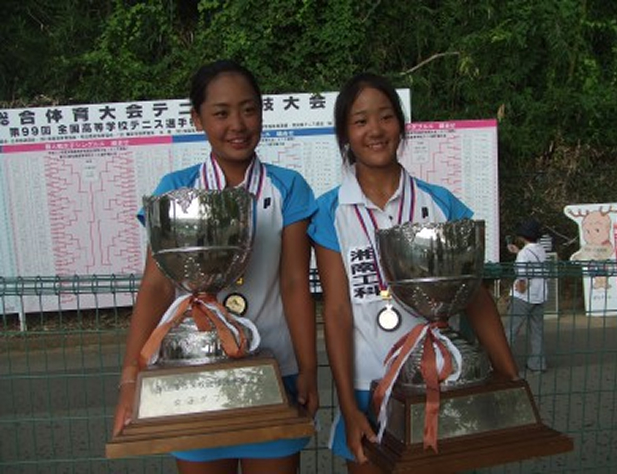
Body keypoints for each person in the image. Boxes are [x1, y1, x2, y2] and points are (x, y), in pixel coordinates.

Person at [112, 59, 319, 474]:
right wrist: (130, 377)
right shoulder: (175, 189)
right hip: (192, 377)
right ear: (198, 119)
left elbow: (296, 283)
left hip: (275, 372)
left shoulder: (288, 187)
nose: (237, 125)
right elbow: (156, 286)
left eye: (248, 110)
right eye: (221, 113)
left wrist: (309, 369)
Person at [308, 72, 519, 474]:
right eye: (360, 121)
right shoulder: (329, 212)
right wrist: (349, 408)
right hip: (367, 385)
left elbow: (474, 295)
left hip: (438, 380)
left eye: (386, 117)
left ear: (401, 125)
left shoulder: (440, 203)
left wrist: (511, 375)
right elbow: (336, 312)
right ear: (345, 134)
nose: (375, 130)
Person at [505, 217, 548, 372]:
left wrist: (521, 286)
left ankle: (502, 363)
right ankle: (538, 364)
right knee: (537, 331)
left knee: (511, 330)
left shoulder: (524, 253)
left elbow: (522, 274)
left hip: (523, 297)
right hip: (540, 294)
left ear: (522, 236)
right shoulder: (541, 250)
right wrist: (518, 252)